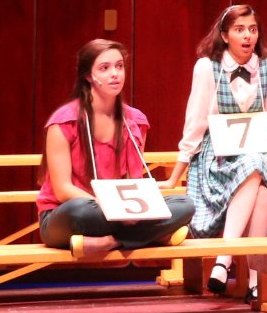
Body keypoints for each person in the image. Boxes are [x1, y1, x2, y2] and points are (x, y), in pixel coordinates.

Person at [161, 5, 267, 300]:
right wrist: (175, 175)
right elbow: (195, 122)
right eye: (240, 30)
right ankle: (256, 279)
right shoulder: (207, 67)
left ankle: (224, 260)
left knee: (258, 164)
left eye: (252, 30)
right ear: (224, 35)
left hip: (260, 158)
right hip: (217, 160)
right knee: (261, 185)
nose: (247, 36)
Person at [37, 39, 194, 258]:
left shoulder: (135, 121)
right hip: (69, 214)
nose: (115, 74)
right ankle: (153, 235)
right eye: (105, 68)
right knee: (80, 211)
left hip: (120, 212)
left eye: (119, 66)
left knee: (185, 204)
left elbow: (134, 181)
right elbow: (63, 190)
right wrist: (110, 208)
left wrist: (132, 209)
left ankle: (111, 241)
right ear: (88, 76)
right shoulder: (63, 123)